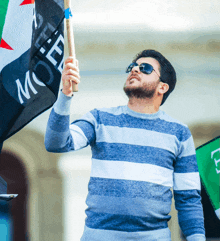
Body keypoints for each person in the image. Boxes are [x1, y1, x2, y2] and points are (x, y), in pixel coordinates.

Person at [45, 49, 206, 241]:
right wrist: (65, 95)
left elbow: (188, 199)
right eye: (132, 66)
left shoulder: (179, 133)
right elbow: (57, 143)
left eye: (145, 68)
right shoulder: (99, 119)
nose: (135, 70)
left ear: (162, 87)